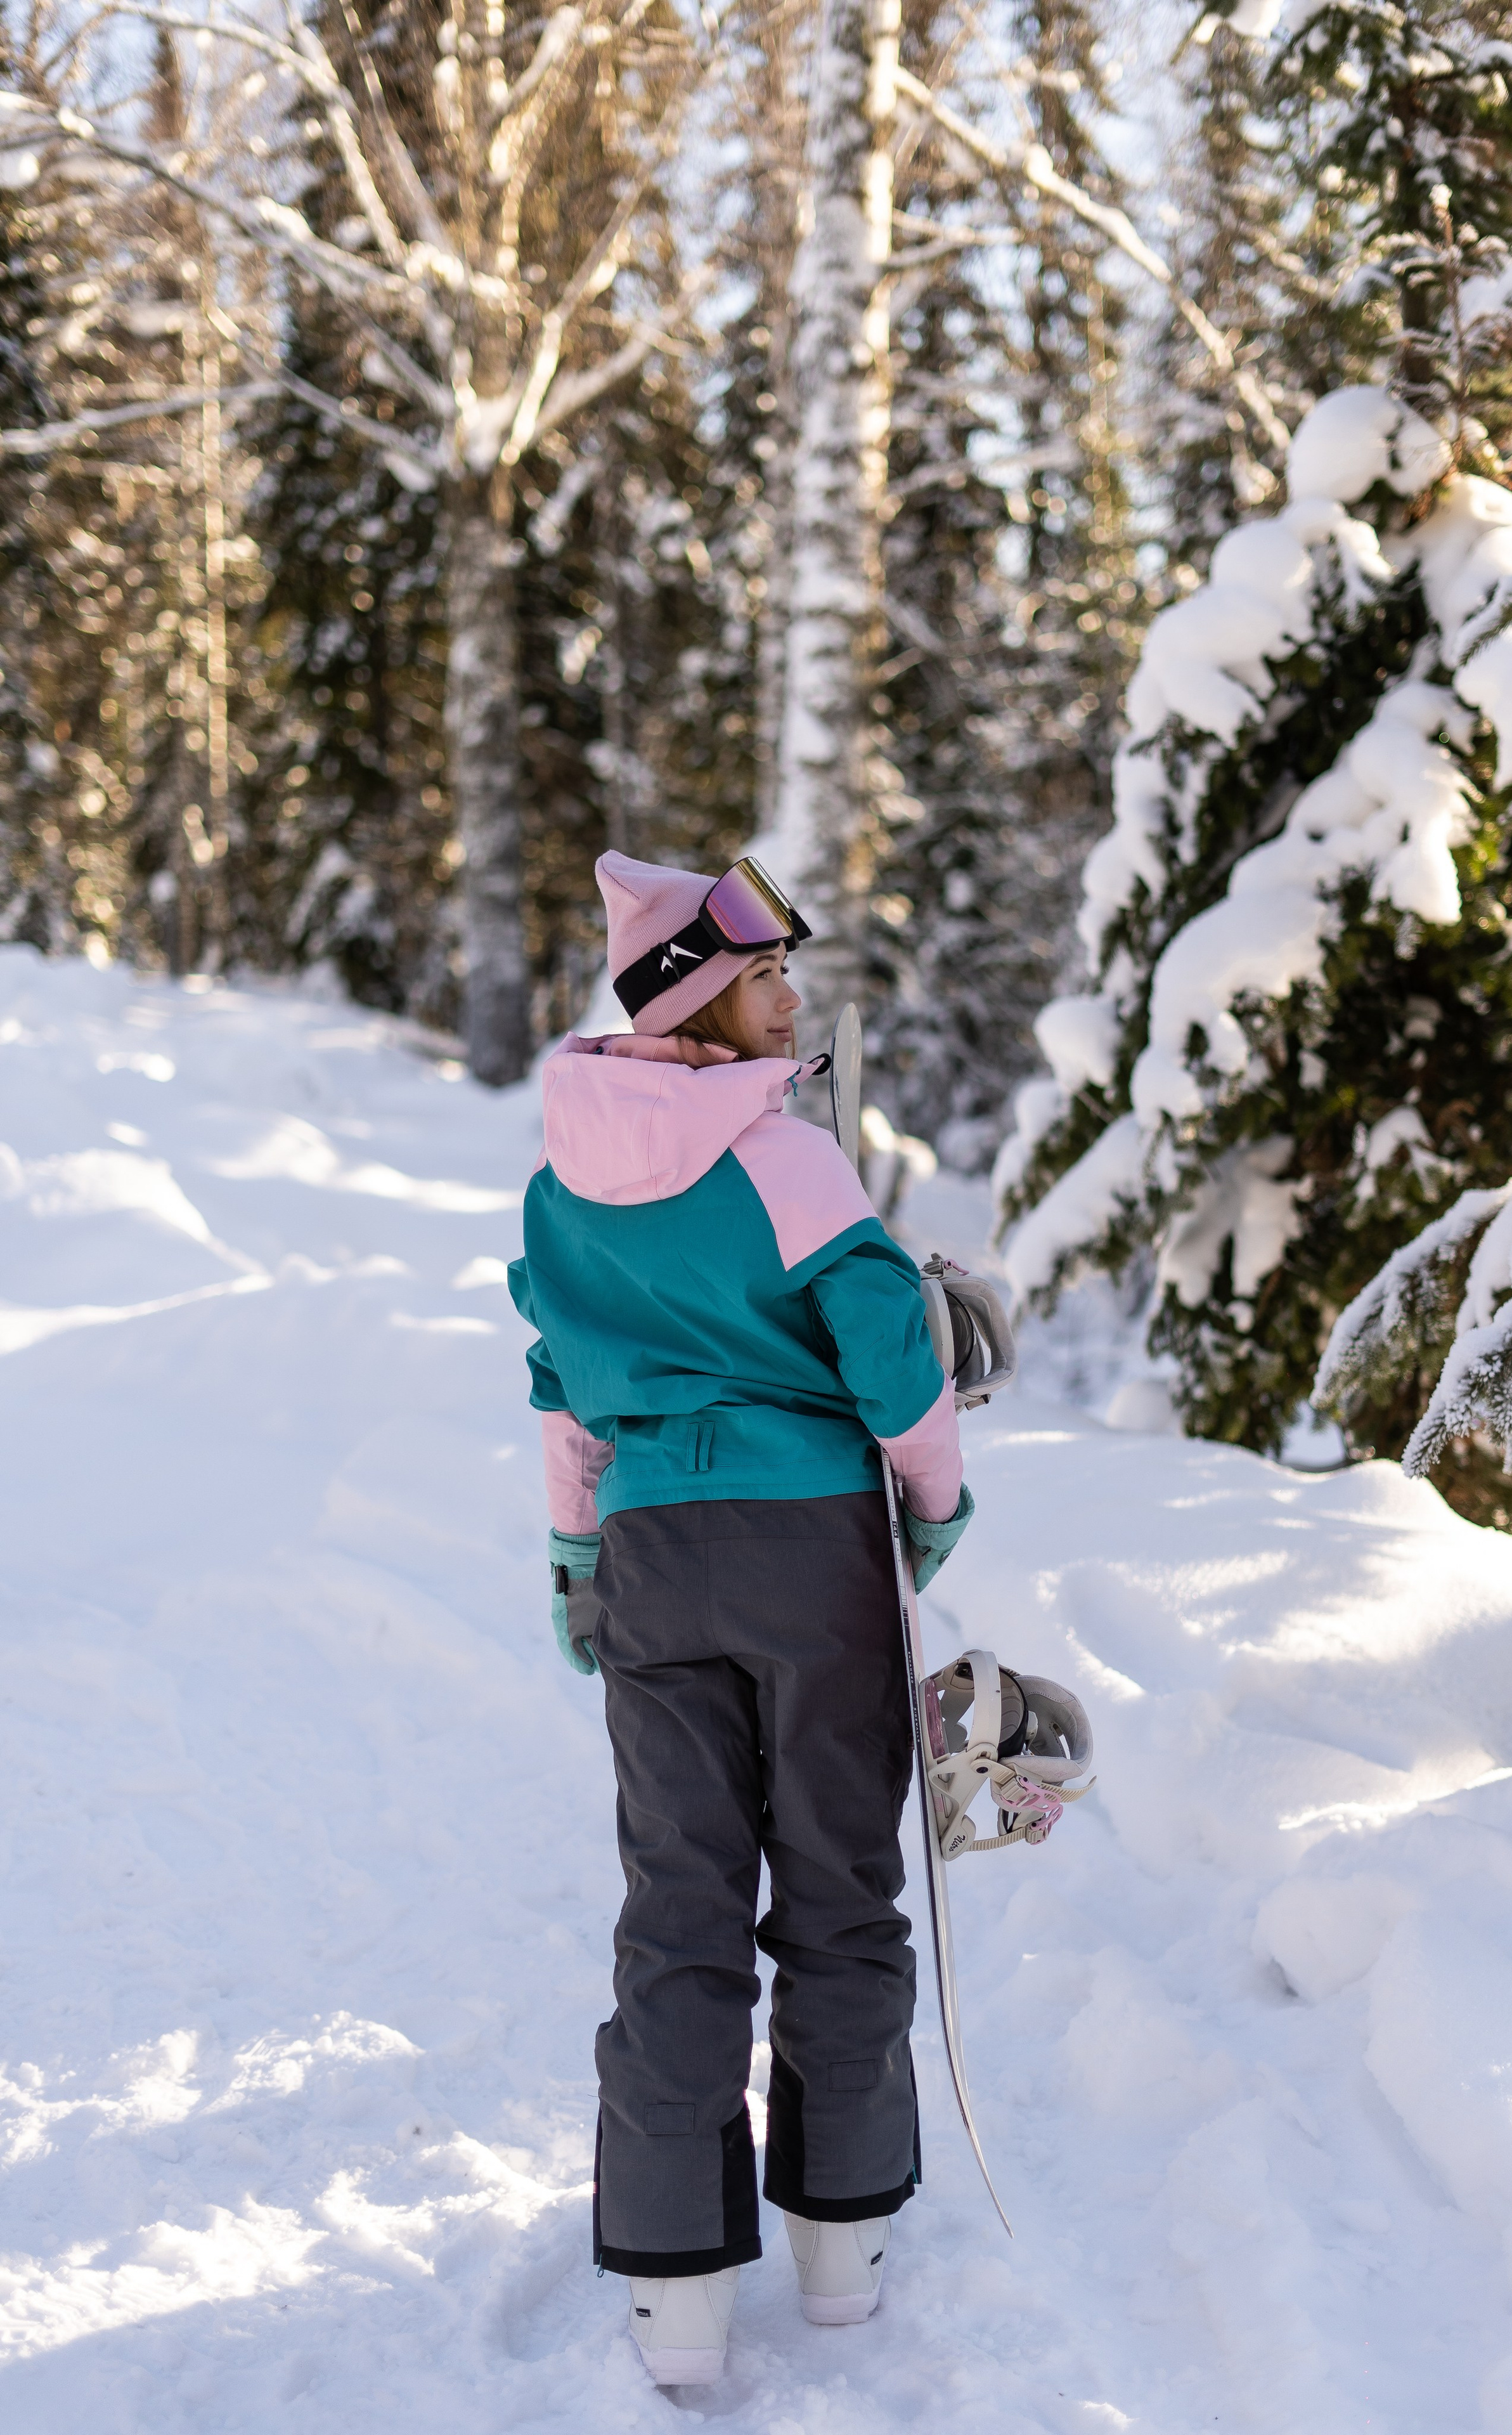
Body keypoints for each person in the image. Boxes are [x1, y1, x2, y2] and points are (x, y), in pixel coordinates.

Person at [507, 850, 974, 2387]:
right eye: (768, 978)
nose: (794, 1000)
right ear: (696, 1011)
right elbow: (895, 1363)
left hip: (648, 1551)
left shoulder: (559, 1188)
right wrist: (930, 1502)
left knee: (679, 1903)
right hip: (808, 1552)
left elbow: (569, 1400)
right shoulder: (786, 1164)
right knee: (837, 1883)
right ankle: (837, 2255)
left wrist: (579, 1556)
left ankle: (673, 2298)